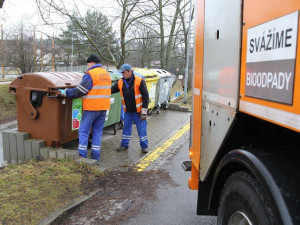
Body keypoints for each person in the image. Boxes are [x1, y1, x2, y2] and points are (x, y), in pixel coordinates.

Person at [59, 54, 111, 161]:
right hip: (103, 108)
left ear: (92, 63)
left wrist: (66, 93)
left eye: (88, 64)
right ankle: (95, 157)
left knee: (83, 131)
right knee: (97, 132)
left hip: (92, 108)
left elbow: (80, 90)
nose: (87, 66)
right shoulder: (106, 74)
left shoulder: (91, 73)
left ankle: (82, 156)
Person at [111, 64, 149, 153]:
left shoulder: (139, 81)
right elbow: (111, 90)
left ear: (129, 71)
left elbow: (146, 97)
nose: (123, 74)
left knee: (141, 129)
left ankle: (144, 146)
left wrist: (144, 111)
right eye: (122, 73)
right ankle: (124, 145)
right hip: (128, 111)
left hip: (138, 111)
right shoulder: (120, 82)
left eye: (124, 72)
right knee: (126, 129)